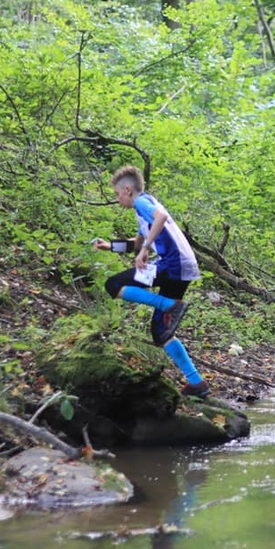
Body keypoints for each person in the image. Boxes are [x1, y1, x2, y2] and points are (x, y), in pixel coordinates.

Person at [93, 165, 211, 398]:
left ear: (128, 190)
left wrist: (146, 249)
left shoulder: (142, 203)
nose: (118, 200)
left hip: (172, 264)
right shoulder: (144, 209)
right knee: (161, 331)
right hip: (183, 267)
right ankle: (197, 383)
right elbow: (137, 243)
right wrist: (109, 246)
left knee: (113, 285)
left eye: (117, 194)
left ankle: (168, 305)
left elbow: (161, 219)